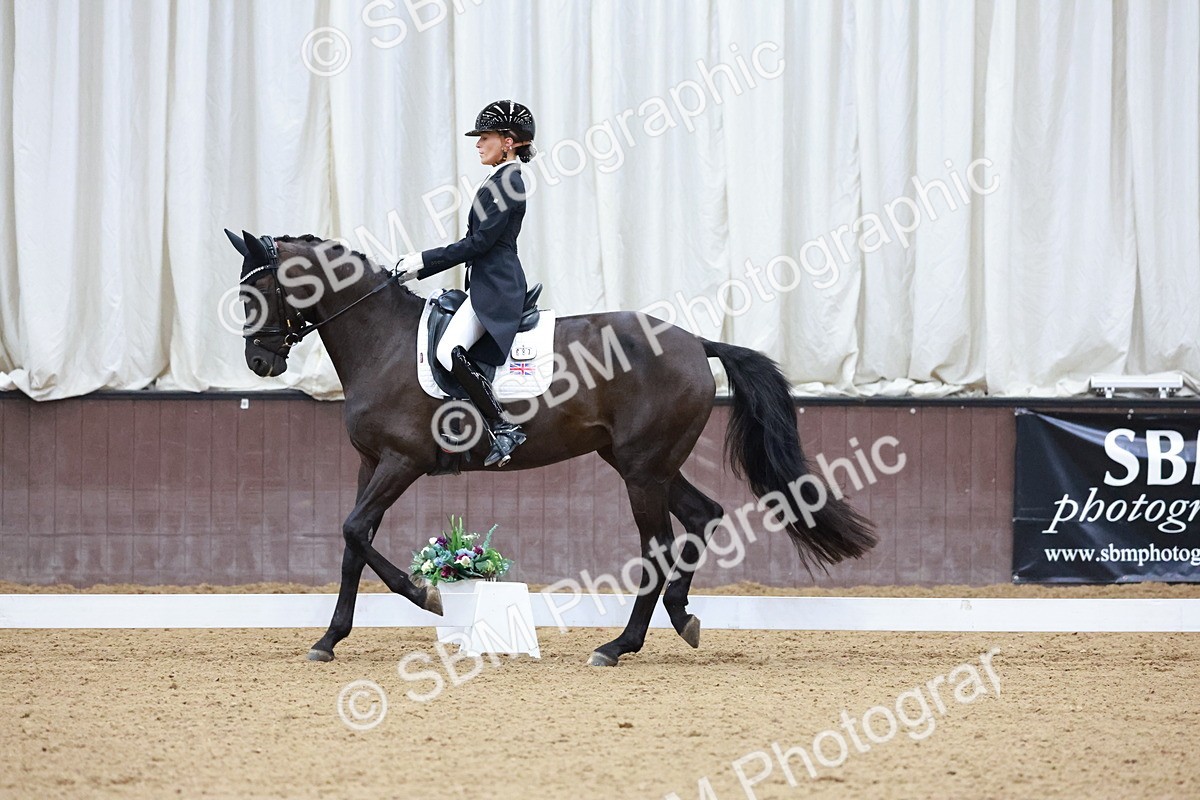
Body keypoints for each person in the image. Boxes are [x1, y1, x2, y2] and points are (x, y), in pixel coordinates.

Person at [398, 100, 536, 468]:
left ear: (508, 142)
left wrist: (423, 261)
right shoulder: (499, 179)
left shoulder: (509, 181)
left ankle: (503, 427)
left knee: (448, 350)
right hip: (488, 282)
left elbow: (479, 244)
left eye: (485, 137)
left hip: (498, 287)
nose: (478, 144)